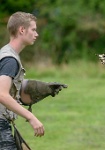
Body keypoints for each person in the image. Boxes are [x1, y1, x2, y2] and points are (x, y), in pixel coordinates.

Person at [0, 11, 67, 149]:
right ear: (22, 30)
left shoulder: (6, 53)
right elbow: (2, 94)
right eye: (34, 30)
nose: (36, 34)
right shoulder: (10, 60)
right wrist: (31, 118)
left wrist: (40, 88)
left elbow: (8, 90)